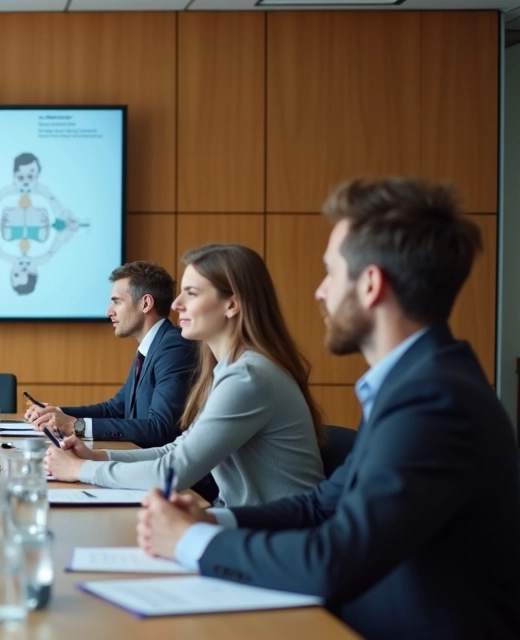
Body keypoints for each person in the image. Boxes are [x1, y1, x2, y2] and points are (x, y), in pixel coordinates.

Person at [137, 178, 520, 639]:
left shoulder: (435, 401)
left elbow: (333, 560)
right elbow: (322, 504)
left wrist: (191, 541)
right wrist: (209, 518)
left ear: (372, 284)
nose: (320, 291)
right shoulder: (417, 383)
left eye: (331, 273)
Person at [46, 244, 325, 508]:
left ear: (231, 305)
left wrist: (83, 469)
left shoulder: (248, 376)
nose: (177, 304)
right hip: (249, 527)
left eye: (191, 293)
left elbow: (173, 471)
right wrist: (98, 457)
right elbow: (174, 450)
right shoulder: (228, 370)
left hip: (276, 541)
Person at [25, 261, 196, 447]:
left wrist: (76, 426)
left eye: (117, 302)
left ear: (146, 303)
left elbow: (159, 428)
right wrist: (54, 413)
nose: (109, 312)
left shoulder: (173, 348)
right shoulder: (152, 346)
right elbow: (115, 409)